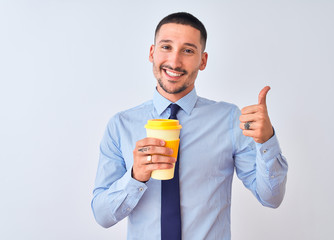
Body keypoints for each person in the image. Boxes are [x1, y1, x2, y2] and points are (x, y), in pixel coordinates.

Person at [91, 12, 288, 239]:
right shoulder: (121, 125)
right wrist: (135, 176)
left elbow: (271, 198)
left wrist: (267, 141)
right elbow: (102, 215)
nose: (174, 61)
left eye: (187, 50)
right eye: (166, 47)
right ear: (152, 53)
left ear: (202, 60)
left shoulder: (230, 119)